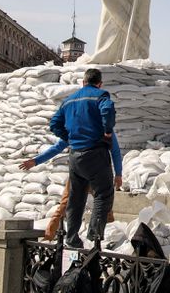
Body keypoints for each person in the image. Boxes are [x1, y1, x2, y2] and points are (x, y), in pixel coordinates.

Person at [48, 68, 116, 248]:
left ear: (83, 82)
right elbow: (107, 110)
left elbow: (54, 123)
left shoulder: (69, 100)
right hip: (95, 153)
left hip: (75, 156)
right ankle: (94, 238)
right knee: (103, 194)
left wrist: (69, 138)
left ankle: (72, 238)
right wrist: (107, 131)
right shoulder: (101, 96)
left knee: (76, 198)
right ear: (99, 83)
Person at [18, 132, 123, 241]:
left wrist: (36, 161)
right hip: (96, 170)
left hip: (83, 168)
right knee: (99, 203)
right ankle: (55, 236)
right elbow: (115, 151)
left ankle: (100, 237)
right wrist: (118, 174)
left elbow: (58, 147)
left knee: (99, 205)